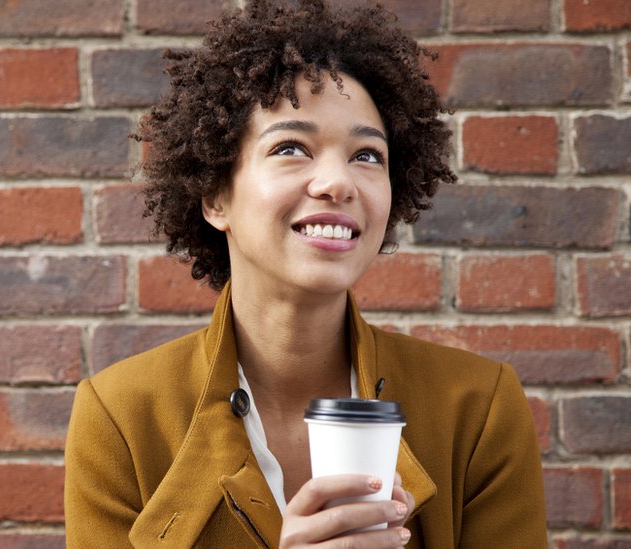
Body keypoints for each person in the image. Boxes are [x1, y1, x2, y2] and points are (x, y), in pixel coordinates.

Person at [64, 1, 547, 547]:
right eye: (291, 147)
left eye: (368, 155)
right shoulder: (122, 418)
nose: (338, 182)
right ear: (215, 196)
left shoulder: (478, 408)